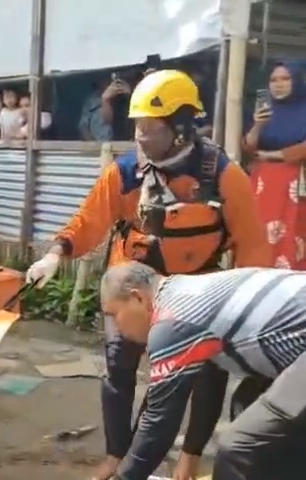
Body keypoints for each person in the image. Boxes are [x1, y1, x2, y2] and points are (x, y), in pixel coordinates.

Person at [25, 70, 272, 480]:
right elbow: (87, 221)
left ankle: (189, 457)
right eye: (137, 126)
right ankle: (116, 455)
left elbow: (251, 243)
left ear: (181, 128)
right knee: (118, 364)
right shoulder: (124, 173)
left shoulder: (223, 176)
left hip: (196, 289)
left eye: (151, 127)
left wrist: (244, 309)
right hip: (133, 286)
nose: (140, 136)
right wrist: (55, 254)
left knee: (206, 371)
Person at [100, 262, 306, 480]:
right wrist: (191, 453)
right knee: (248, 407)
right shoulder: (187, 294)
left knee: (240, 450)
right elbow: (210, 385)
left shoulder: (172, 320)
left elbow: (158, 423)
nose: (116, 329)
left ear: (138, 298)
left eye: (114, 315)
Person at [244, 62, 306, 270]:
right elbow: (248, 148)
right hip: (264, 183)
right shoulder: (264, 110)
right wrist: (257, 125)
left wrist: (272, 155)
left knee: (294, 234)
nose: (278, 84)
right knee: (262, 232)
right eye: (273, 80)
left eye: (285, 79)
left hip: (297, 182)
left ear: (296, 81)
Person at [79, 74, 133, 141]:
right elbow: (84, 128)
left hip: (124, 144)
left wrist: (131, 96)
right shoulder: (91, 101)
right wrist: (105, 99)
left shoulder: (125, 98)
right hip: (99, 143)